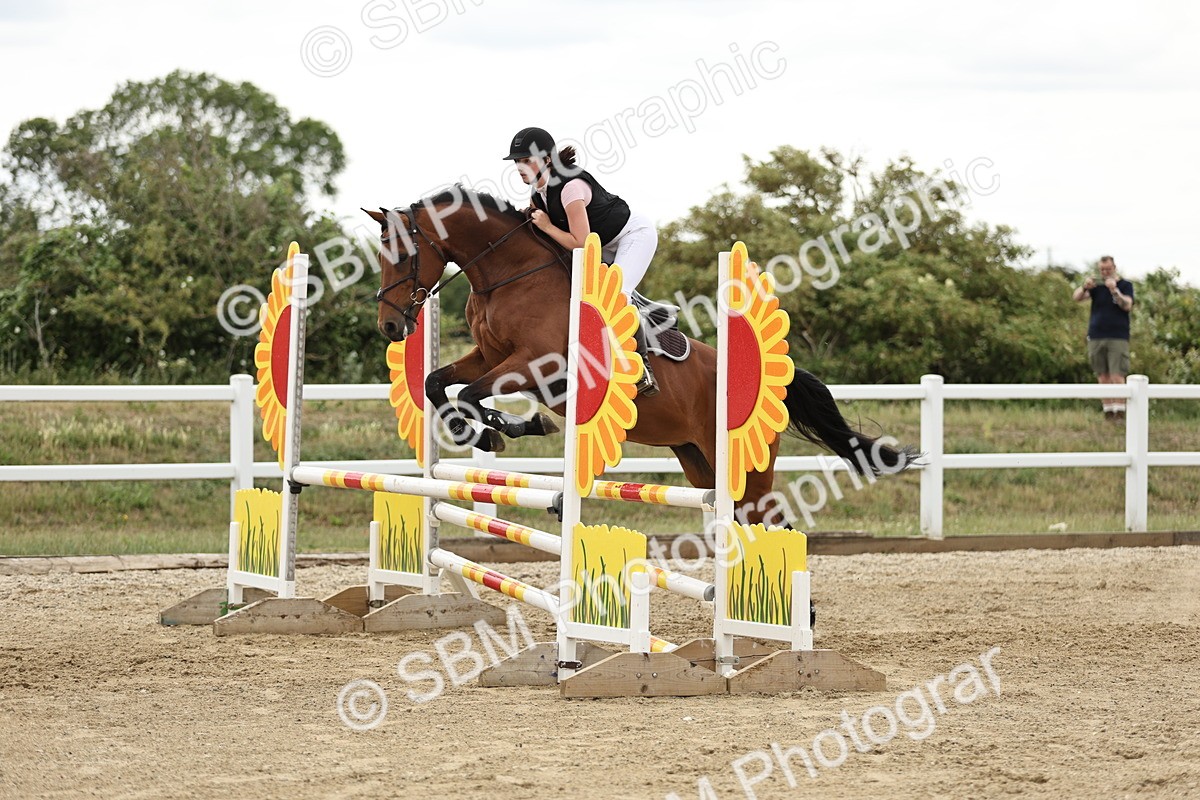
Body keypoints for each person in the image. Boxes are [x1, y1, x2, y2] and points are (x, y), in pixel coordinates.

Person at [502, 126, 660, 396]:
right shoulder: (538, 192)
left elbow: (581, 245)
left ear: (547, 160)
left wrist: (548, 227)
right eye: (517, 161)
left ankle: (643, 368)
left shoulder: (570, 187)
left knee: (615, 296)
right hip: (603, 244)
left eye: (527, 160)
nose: (520, 167)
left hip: (632, 236)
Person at [1072, 255, 1134, 421]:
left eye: (1108, 269)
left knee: (1117, 375)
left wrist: (1115, 290)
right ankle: (1108, 411)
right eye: (1102, 270)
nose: (1105, 272)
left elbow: (1127, 305)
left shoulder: (1125, 285)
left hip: (1117, 336)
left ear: (1114, 267)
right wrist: (1085, 287)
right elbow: (1076, 297)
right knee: (1102, 375)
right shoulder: (1096, 287)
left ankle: (1120, 412)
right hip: (1096, 335)